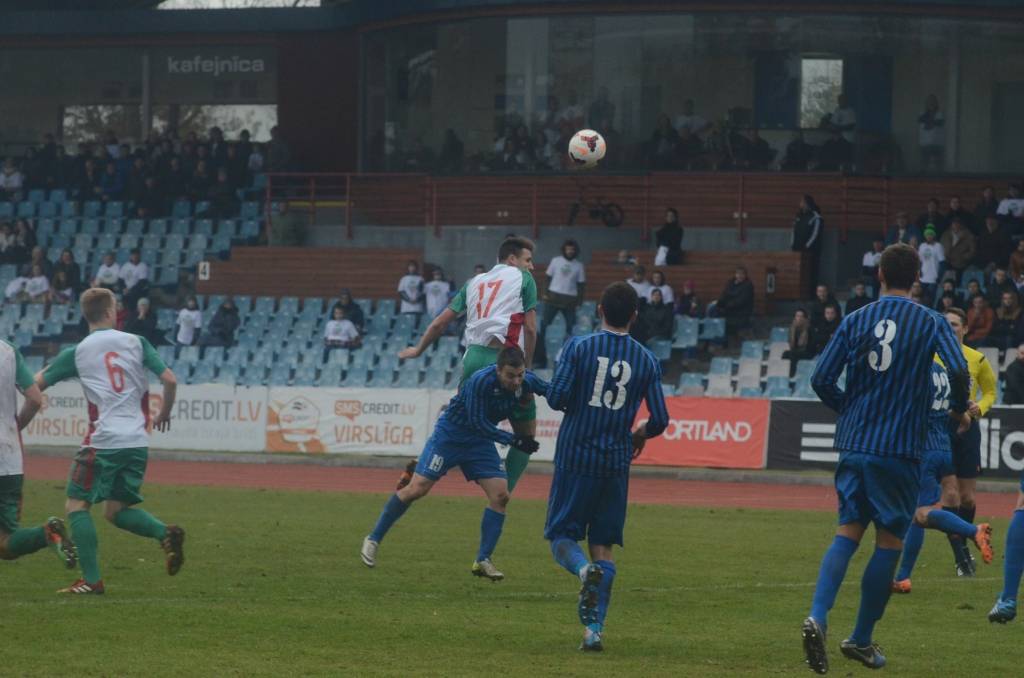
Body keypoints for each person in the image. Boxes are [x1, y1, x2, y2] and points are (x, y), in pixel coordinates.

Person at [802, 243, 969, 673]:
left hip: (855, 444)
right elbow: (957, 369)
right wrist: (958, 408)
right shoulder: (930, 321)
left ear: (879, 275)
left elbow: (820, 377)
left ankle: (817, 615)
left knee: (847, 532)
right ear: (917, 278)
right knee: (890, 541)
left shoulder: (856, 318)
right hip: (899, 448)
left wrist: (849, 410)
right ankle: (860, 639)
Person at [543, 282, 669, 651]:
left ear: (599, 310)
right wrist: (640, 433)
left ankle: (584, 572)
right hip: (615, 462)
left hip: (575, 457)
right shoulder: (646, 360)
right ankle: (593, 631)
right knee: (603, 545)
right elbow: (661, 419)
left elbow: (557, 398)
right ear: (634, 316)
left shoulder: (579, 347)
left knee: (562, 536)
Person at [34, 288, 183, 595]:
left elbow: (35, 384)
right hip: (137, 441)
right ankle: (164, 533)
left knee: (76, 506)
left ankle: (91, 581)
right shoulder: (136, 342)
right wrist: (165, 413)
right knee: (115, 510)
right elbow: (169, 379)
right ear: (109, 312)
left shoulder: (77, 352)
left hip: (102, 441)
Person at [360, 346, 545, 581]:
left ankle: (483, 560)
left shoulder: (525, 381)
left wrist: (572, 400)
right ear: (498, 370)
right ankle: (373, 538)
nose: (516, 381)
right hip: (451, 436)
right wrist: (514, 440)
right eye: (511, 376)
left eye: (520, 375)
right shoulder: (480, 381)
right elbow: (478, 423)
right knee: (417, 489)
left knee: (501, 496)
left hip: (479, 443)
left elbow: (550, 390)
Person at [398, 237, 538, 492]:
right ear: (512, 259)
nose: (531, 266)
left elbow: (440, 322)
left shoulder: (474, 282)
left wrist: (418, 350)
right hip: (505, 359)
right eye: (528, 260)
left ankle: (421, 465)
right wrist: (526, 370)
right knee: (526, 436)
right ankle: (504, 493)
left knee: (461, 423)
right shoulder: (523, 278)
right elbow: (530, 328)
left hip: (473, 358)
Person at [890, 359, 993, 594]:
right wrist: (962, 426)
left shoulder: (914, 369)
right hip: (943, 448)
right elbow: (960, 413)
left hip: (923, 449)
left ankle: (973, 532)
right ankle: (905, 576)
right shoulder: (942, 372)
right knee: (932, 506)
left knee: (920, 514)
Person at [0, 339, 77, 568]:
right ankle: (46, 534)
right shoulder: (7, 350)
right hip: (8, 457)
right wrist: (15, 429)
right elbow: (35, 398)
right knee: (5, 542)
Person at [941, 306, 998, 578]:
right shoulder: (931, 356)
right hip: (941, 429)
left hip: (968, 429)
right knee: (950, 494)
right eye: (946, 324)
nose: (950, 328)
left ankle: (964, 545)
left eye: (954, 324)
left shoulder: (976, 358)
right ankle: (961, 556)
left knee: (967, 497)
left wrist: (980, 408)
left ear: (964, 328)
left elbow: (990, 392)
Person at [539, 240, 586, 365]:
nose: (570, 251)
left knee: (571, 328)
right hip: (553, 297)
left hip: (570, 300)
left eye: (572, 249)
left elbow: (581, 285)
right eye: (568, 249)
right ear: (564, 249)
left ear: (575, 251)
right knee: (544, 325)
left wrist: (580, 301)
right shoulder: (556, 261)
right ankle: (541, 353)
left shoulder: (579, 265)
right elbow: (547, 278)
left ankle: (568, 355)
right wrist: (544, 293)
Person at [791, 195, 823, 295]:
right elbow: (794, 231)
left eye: (803, 202)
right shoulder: (798, 216)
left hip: (811, 251)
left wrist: (806, 246)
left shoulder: (816, 217)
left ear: (808, 204)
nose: (801, 204)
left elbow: (815, 234)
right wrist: (792, 244)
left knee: (810, 272)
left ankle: (811, 294)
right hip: (797, 250)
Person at [710, 266, 755, 337]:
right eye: (738, 274)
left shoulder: (748, 286)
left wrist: (725, 306)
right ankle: (712, 334)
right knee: (711, 307)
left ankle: (718, 337)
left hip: (740, 311)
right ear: (735, 274)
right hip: (728, 308)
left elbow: (740, 301)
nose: (740, 276)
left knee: (716, 313)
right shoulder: (730, 283)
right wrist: (718, 303)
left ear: (745, 275)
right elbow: (724, 295)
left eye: (742, 274)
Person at [917, 94, 945, 171]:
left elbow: (939, 122)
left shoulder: (940, 114)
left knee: (939, 166)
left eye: (933, 101)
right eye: (929, 101)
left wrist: (931, 121)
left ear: (936, 103)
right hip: (925, 143)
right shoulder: (922, 114)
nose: (931, 103)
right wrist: (930, 121)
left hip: (937, 144)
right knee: (924, 165)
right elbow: (921, 120)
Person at [917, 226, 945, 302]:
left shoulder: (938, 246)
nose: (929, 236)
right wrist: (919, 271)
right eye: (927, 234)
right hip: (923, 278)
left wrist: (939, 276)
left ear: (934, 235)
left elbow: (942, 263)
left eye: (931, 234)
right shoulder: (922, 246)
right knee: (921, 298)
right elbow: (919, 261)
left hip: (933, 278)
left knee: (930, 299)